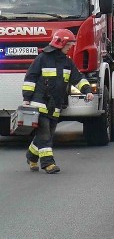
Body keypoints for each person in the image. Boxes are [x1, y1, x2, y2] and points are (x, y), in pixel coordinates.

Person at [22, 29, 94, 174]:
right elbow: (30, 78)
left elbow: (77, 78)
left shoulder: (67, 62)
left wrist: (87, 90)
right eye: (69, 44)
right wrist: (27, 99)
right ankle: (48, 164)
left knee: (47, 133)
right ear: (60, 43)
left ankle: (31, 156)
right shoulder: (42, 58)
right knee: (45, 135)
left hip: (55, 105)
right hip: (39, 103)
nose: (70, 47)